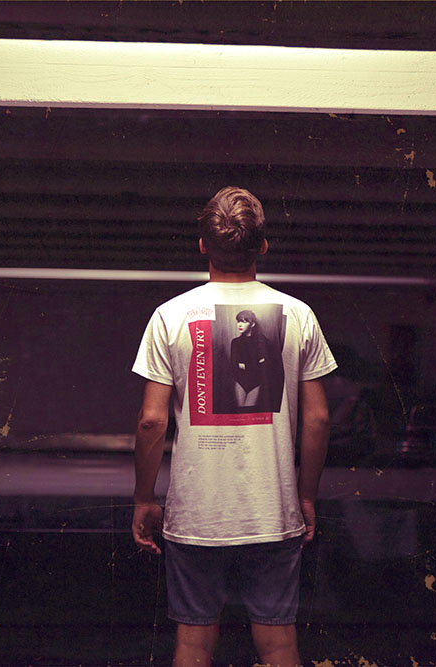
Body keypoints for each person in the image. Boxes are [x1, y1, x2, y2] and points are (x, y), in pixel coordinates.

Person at [131, 186, 336, 666]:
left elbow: (151, 420)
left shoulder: (170, 316)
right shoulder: (299, 315)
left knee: (193, 642)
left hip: (196, 518)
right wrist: (305, 496)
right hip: (273, 511)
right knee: (280, 643)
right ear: (262, 246)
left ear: (203, 245)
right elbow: (319, 417)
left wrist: (144, 498)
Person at [231, 309, 270, 410]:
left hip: (256, 382)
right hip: (240, 381)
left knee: (249, 411)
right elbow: (234, 364)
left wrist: (245, 365)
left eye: (244, 322)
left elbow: (265, 363)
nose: (239, 324)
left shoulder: (262, 341)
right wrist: (255, 363)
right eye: (238, 321)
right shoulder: (235, 342)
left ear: (252, 324)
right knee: (240, 411)